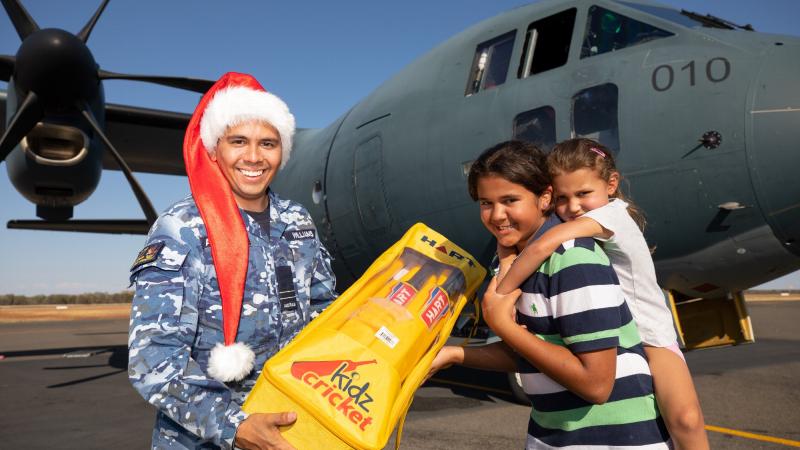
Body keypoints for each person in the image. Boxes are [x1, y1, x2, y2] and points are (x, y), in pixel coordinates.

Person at [128, 72, 337, 450]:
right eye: (238, 141)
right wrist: (236, 426)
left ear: (282, 151)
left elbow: (324, 313)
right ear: (214, 150)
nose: (254, 157)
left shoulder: (297, 221)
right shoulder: (183, 229)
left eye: (268, 143)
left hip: (291, 430)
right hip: (205, 440)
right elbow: (153, 360)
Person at [430, 141, 671, 449]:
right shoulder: (513, 260)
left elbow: (596, 385)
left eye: (510, 200)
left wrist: (502, 324)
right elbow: (530, 353)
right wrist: (454, 354)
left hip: (613, 439)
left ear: (544, 198)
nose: (497, 215)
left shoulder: (572, 258)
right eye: (485, 203)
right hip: (553, 436)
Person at [496, 138, 708, 449]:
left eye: (583, 194)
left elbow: (543, 244)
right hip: (624, 335)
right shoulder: (586, 219)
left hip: (653, 335)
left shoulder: (610, 216)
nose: (572, 207)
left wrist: (500, 293)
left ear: (611, 184)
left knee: (686, 420)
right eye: (563, 197)